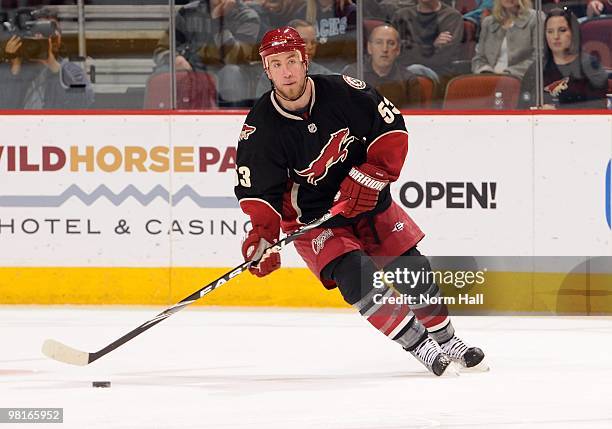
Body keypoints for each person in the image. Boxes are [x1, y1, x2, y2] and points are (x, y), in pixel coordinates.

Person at [234, 26, 487, 376]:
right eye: (276, 64)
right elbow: (259, 193)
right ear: (267, 69)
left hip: (367, 201)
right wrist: (262, 237)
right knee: (358, 278)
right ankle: (422, 347)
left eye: (292, 60)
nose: (287, 71)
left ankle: (447, 340)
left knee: (413, 269)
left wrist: (373, 174)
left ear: (304, 59)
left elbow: (391, 128)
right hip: (314, 220)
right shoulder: (259, 130)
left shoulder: (345, 92)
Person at [153, 0, 260, 106]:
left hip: (226, 72)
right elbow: (161, 49)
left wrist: (217, 22)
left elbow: (236, 59)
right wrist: (175, 59)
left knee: (232, 72)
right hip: (193, 70)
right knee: (165, 71)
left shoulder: (247, 17)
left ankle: (232, 119)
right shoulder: (188, 12)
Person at [0, 7, 93, 109]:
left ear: (59, 37)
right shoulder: (20, 69)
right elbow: (5, 107)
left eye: (51, 32)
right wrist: (15, 65)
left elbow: (83, 102)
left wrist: (52, 63)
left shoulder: (71, 70)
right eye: (39, 31)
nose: (45, 38)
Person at [519, 8, 607, 109]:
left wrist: (557, 112)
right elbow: (522, 110)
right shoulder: (536, 69)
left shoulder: (591, 66)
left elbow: (597, 110)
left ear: (574, 33)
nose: (555, 36)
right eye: (550, 31)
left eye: (562, 30)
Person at [342, 23, 421, 109]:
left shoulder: (408, 80)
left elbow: (415, 117)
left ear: (398, 50)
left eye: (391, 43)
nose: (384, 49)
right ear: (369, 47)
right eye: (379, 42)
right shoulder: (352, 74)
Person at [255, 19, 333, 98]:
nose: (309, 47)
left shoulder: (326, 76)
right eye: (304, 42)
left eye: (313, 42)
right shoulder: (270, 75)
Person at [392, 0, 464, 84]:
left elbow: (442, 57)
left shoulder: (451, 17)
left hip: (438, 73)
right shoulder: (402, 15)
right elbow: (399, 53)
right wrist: (432, 46)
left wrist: (412, 48)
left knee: (413, 70)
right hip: (401, 70)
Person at [471, 0, 542, 78]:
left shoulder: (536, 18)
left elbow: (539, 58)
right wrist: (485, 71)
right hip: (488, 78)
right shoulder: (488, 22)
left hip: (520, 79)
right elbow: (479, 58)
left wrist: (509, 73)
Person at [304, 0, 357, 73]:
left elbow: (352, 48)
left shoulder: (350, 11)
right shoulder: (304, 12)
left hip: (342, 69)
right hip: (314, 70)